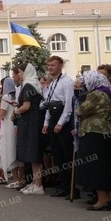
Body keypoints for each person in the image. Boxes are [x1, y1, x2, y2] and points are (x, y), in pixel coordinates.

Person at [75, 71, 111, 210]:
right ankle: (109, 197)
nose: (85, 85)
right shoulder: (107, 93)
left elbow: (80, 111)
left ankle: (102, 200)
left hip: (93, 132)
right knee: (104, 166)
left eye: (86, 82)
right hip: (104, 132)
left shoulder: (96, 94)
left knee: (95, 167)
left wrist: (82, 99)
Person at [41, 56, 76, 199]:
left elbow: (68, 105)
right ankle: (62, 184)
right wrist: (46, 123)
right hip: (53, 118)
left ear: (60, 66)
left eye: (53, 65)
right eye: (48, 65)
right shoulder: (53, 82)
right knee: (57, 155)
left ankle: (71, 187)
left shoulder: (67, 82)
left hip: (63, 121)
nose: (50, 67)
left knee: (66, 155)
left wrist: (61, 123)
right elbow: (49, 103)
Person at [13, 63, 45, 195]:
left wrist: (16, 111)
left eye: (20, 72)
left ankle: (38, 185)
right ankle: (35, 182)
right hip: (33, 121)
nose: (18, 75)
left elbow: (26, 106)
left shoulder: (27, 86)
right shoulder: (33, 84)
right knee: (32, 153)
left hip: (31, 123)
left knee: (33, 153)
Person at [0, 78, 21, 188]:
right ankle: (20, 179)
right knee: (16, 153)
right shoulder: (18, 95)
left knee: (9, 151)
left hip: (8, 126)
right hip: (16, 125)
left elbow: (2, 114)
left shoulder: (5, 97)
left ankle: (16, 179)